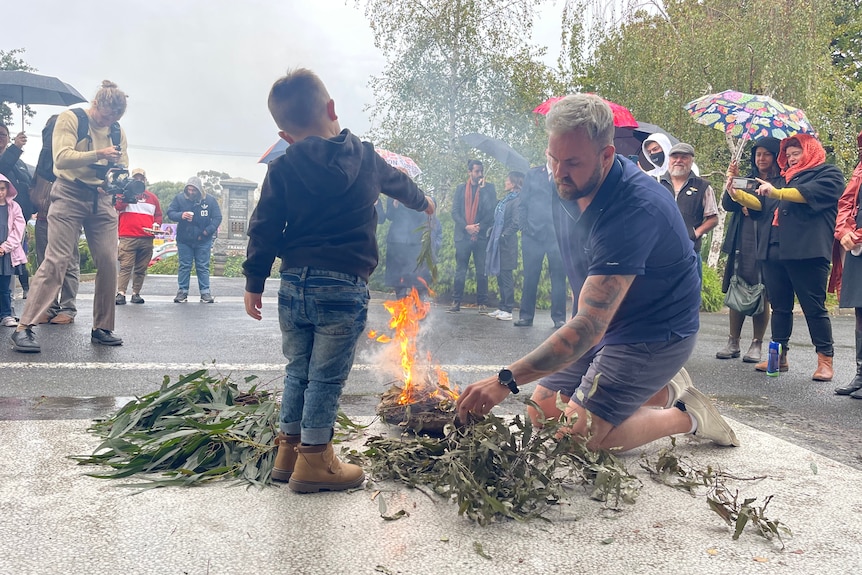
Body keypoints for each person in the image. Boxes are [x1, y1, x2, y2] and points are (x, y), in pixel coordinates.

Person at [456, 94, 739, 451]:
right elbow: (586, 290)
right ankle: (663, 388)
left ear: (606, 156)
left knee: (579, 439)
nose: (559, 173)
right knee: (542, 412)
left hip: (653, 333)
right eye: (552, 159)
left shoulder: (634, 208)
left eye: (572, 162)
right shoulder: (564, 184)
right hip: (605, 326)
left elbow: (589, 325)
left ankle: (690, 415)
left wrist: (505, 380)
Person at [243, 68, 435, 492]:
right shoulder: (365, 156)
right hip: (343, 286)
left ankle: (287, 452)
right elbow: (400, 185)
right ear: (331, 108)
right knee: (327, 377)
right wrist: (426, 203)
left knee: (298, 369)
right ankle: (316, 461)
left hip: (294, 284)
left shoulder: (282, 166)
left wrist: (254, 280)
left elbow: (265, 225)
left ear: (285, 133)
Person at [10, 80, 129, 353]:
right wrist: (99, 154)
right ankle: (24, 327)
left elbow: (123, 164)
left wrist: (116, 178)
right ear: (96, 104)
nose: (108, 121)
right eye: (106, 114)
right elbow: (61, 158)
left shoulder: (116, 130)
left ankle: (102, 327)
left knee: (110, 261)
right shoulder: (71, 118)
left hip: (101, 197)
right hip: (68, 193)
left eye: (115, 117)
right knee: (57, 259)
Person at [727, 134, 844, 381]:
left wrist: (778, 192)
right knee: (780, 307)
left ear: (810, 151)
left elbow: (805, 194)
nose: (790, 159)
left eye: (796, 154)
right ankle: (778, 357)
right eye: (787, 155)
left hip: (807, 252)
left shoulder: (828, 174)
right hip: (773, 249)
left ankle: (825, 359)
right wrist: (736, 193)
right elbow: (760, 203)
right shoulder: (782, 180)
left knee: (814, 308)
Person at [716, 137, 783, 363]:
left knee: (760, 288)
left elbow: (771, 207)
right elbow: (728, 204)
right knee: (738, 283)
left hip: (765, 239)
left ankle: (757, 343)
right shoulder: (746, 179)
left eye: (766, 154)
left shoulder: (781, 182)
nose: (761, 158)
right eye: (757, 154)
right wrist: (731, 180)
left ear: (775, 156)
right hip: (741, 238)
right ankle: (733, 340)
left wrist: (753, 208)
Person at [516, 155, 568, 328]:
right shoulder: (532, 174)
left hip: (557, 236)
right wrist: (524, 227)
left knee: (559, 278)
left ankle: (559, 318)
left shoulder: (565, 174)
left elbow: (571, 203)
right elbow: (523, 203)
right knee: (530, 277)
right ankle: (526, 316)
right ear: (547, 153)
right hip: (532, 236)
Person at [660, 143, 719, 280]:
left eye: (684, 157)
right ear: (669, 159)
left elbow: (713, 218)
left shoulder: (703, 186)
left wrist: (694, 234)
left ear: (691, 161)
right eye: (675, 157)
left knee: (689, 296)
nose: (678, 160)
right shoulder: (657, 183)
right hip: (660, 253)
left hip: (689, 252)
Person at [832, 131, 862, 398]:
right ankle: (861, 375)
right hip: (857, 246)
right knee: (861, 310)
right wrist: (844, 231)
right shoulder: (860, 168)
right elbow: (846, 202)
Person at [448, 159, 496, 313]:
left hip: (480, 236)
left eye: (481, 171)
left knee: (481, 270)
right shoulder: (460, 189)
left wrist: (479, 227)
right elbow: (454, 212)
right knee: (460, 270)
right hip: (463, 236)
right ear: (469, 172)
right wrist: (466, 227)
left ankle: (482, 303)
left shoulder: (489, 189)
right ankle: (456, 302)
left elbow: (491, 211)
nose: (479, 174)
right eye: (476, 171)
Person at [167, 177, 222, 303]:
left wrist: (207, 231)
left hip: (203, 239)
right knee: (184, 266)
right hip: (184, 240)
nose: (191, 192)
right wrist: (181, 215)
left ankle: (205, 292)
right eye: (189, 190)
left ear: (199, 189)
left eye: (194, 190)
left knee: (203, 266)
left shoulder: (210, 200)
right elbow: (170, 212)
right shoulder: (179, 198)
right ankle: (182, 292)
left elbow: (217, 218)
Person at [376, 192, 436, 300]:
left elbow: (421, 215)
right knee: (398, 277)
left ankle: (420, 307)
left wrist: (411, 202)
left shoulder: (415, 193)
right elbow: (389, 216)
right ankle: (401, 305)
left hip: (414, 241)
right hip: (396, 241)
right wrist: (395, 204)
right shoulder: (393, 195)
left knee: (416, 276)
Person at [115, 168, 162, 305]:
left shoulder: (152, 198)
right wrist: (128, 195)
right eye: (136, 178)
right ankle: (121, 293)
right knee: (125, 266)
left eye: (141, 178)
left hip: (147, 236)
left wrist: (156, 225)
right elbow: (118, 206)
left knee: (141, 268)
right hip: (128, 236)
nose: (139, 180)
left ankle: (136, 293)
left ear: (145, 180)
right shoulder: (124, 194)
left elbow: (158, 215)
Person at [0, 123, 34, 300]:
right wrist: (16, 148)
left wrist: (30, 211)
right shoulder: (11, 156)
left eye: (4, 134)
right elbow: (2, 169)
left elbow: (27, 184)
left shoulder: (19, 162)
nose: (1, 138)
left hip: (17, 218)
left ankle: (9, 301)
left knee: (14, 256)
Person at [484, 171, 523, 321]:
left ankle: (508, 309)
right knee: (500, 276)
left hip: (507, 244)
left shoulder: (517, 200)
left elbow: (516, 223)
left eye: (507, 180)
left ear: (513, 183)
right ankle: (502, 306)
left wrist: (503, 235)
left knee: (506, 276)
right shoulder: (506, 199)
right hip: (498, 243)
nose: (505, 182)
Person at [0, 174, 26, 327]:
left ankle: (6, 314)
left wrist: (4, 247)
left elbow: (18, 231)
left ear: (7, 189)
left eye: (2, 189)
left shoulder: (14, 207)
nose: (0, 192)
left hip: (6, 254)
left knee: (4, 286)